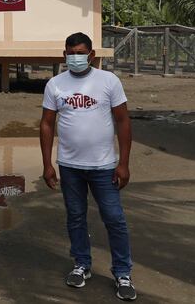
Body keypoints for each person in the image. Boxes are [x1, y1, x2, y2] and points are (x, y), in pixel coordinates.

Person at [40, 32, 136, 301]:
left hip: (104, 166)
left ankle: (122, 272)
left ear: (91, 55)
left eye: (80, 52)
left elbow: (123, 121)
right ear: (64, 55)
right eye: (70, 53)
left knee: (114, 219)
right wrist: (47, 164)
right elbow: (47, 123)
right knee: (75, 216)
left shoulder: (108, 81)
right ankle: (81, 264)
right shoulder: (55, 84)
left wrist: (124, 163)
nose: (75, 57)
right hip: (69, 166)